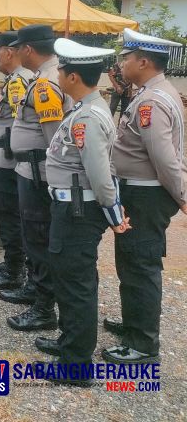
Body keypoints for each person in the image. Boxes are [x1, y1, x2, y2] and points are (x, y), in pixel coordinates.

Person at [35, 38, 128, 387]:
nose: (56, 73)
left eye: (60, 69)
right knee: (69, 277)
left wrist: (114, 215)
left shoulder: (86, 116)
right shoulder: (84, 108)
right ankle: (68, 342)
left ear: (72, 76)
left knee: (75, 283)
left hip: (78, 210)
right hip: (71, 206)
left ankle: (76, 364)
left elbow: (102, 176)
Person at [103, 28, 187, 365]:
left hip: (145, 196)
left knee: (140, 265)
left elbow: (164, 158)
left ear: (143, 61)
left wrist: (182, 195)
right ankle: (133, 324)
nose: (121, 63)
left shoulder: (152, 100)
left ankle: (143, 344)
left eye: (126, 58)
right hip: (138, 192)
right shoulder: (149, 92)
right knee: (130, 263)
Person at [4, 24, 71, 331]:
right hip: (30, 170)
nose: (16, 53)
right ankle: (35, 288)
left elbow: (54, 138)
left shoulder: (44, 84)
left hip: (38, 173)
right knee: (34, 235)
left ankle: (44, 308)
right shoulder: (43, 78)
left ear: (28, 49)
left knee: (38, 236)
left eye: (18, 48)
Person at [0, 31, 33, 291]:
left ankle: (14, 270)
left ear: (9, 52)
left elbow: (18, 123)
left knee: (9, 214)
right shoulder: (15, 80)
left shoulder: (19, 82)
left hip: (10, 159)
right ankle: (12, 262)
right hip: (6, 154)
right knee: (7, 213)